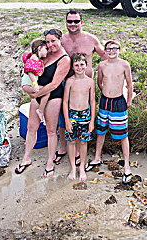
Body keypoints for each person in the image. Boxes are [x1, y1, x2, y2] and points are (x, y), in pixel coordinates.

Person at [53, 10, 107, 165]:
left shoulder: (91, 39)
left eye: (76, 21)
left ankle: (78, 150)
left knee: (83, 115)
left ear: (81, 22)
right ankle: (63, 148)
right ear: (66, 23)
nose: (73, 24)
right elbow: (49, 55)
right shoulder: (61, 40)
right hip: (66, 83)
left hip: (86, 85)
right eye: (70, 21)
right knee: (64, 118)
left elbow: (105, 58)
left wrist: (107, 78)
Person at [15, 29, 71, 178]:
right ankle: (26, 158)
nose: (50, 44)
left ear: (60, 40)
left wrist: (35, 94)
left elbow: (54, 84)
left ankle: (50, 163)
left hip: (53, 96)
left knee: (51, 131)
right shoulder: (44, 54)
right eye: (47, 42)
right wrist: (31, 92)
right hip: (38, 94)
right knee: (31, 127)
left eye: (53, 41)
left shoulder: (64, 59)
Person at [86, 40, 134, 184]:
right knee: (101, 131)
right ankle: (97, 158)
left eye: (114, 48)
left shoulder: (124, 64)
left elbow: (130, 84)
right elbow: (99, 82)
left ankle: (126, 165)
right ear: (105, 51)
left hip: (119, 102)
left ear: (119, 50)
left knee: (123, 134)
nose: (111, 51)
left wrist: (129, 101)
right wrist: (106, 92)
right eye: (108, 49)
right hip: (104, 102)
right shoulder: (102, 65)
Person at [62, 53, 95, 181]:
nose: (79, 67)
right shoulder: (70, 81)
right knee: (71, 141)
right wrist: (67, 120)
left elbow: (92, 102)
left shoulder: (90, 82)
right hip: (72, 115)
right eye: (76, 65)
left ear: (86, 65)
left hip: (85, 115)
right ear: (73, 67)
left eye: (82, 64)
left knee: (83, 142)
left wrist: (91, 121)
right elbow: (65, 102)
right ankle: (72, 168)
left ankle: (81, 166)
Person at [21, 39, 49, 124]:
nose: (47, 51)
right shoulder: (34, 58)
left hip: (27, 84)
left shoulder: (36, 59)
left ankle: (40, 109)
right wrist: (35, 83)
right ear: (39, 48)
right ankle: (40, 111)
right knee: (47, 91)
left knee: (43, 92)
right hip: (29, 84)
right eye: (46, 48)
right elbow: (30, 71)